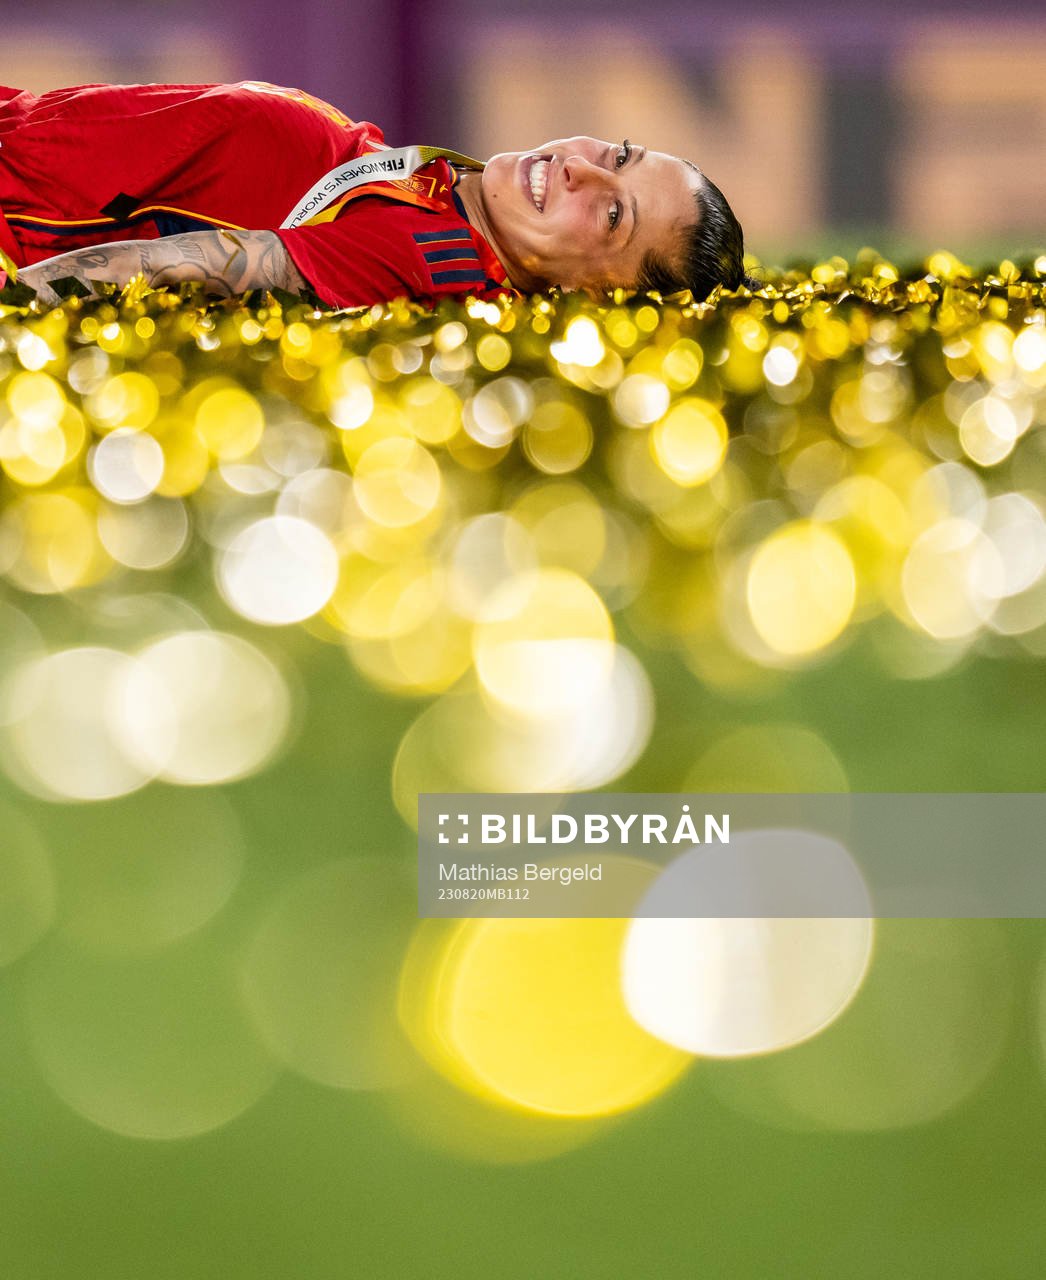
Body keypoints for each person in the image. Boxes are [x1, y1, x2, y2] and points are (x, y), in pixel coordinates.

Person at [0, 80, 747, 310]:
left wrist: (16, 304)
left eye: (615, 214)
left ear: (601, 296)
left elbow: (197, 264)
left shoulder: (446, 260)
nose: (586, 169)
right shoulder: (457, 202)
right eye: (620, 154)